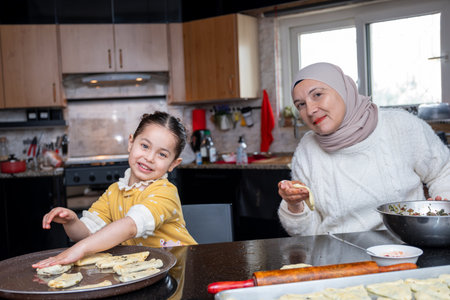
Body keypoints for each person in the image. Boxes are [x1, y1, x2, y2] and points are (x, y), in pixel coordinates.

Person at [278, 62, 450, 237]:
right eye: (300, 104)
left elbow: (444, 170)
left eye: (317, 95)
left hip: (407, 248)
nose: (310, 110)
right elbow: (307, 234)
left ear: (343, 90)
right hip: (340, 257)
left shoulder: (401, 126)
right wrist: (295, 206)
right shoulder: (307, 151)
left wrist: (443, 210)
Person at [33, 111, 197, 268]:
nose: (149, 158)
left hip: (180, 269)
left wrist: (81, 249)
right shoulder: (114, 192)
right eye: (145, 146)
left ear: (173, 164)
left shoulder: (165, 192)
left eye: (162, 154)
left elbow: (130, 226)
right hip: (147, 271)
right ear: (131, 143)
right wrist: (72, 221)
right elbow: (86, 234)